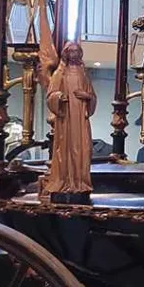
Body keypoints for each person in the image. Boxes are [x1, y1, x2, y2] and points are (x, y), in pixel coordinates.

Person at [45, 42, 96, 196]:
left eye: (76, 51)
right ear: (66, 53)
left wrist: (87, 96)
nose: (74, 54)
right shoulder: (60, 73)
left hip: (81, 118)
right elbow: (50, 95)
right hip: (66, 119)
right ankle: (65, 181)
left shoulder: (83, 73)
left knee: (83, 148)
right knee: (66, 149)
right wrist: (59, 97)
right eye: (71, 51)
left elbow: (92, 96)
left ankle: (81, 182)